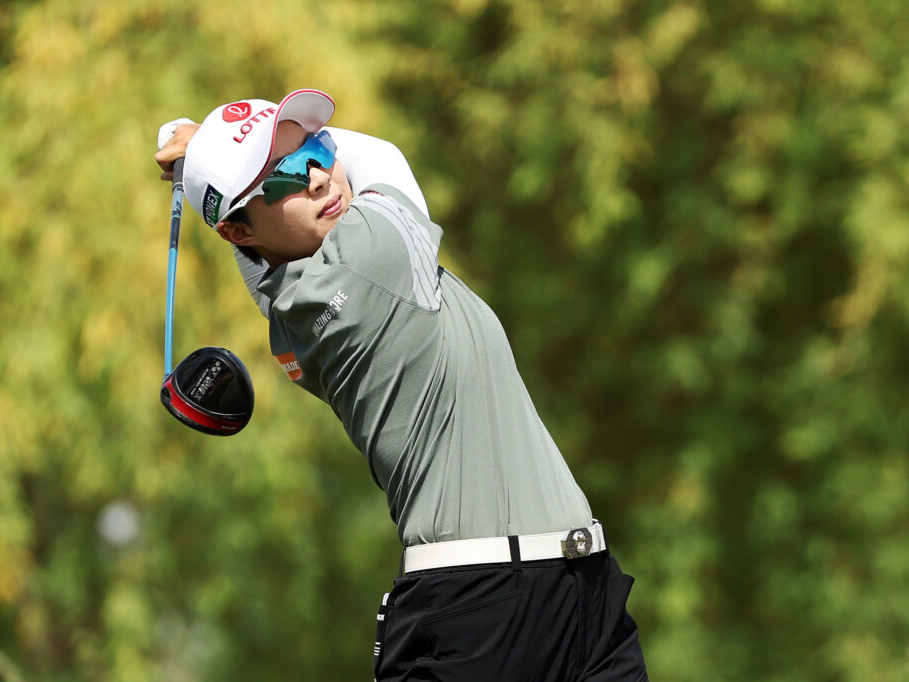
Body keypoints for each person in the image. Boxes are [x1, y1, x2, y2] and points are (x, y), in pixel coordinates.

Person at [155, 89, 648, 682]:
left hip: (582, 592)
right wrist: (202, 148)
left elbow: (263, 250)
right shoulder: (370, 255)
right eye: (282, 174)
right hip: (483, 607)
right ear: (237, 229)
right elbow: (379, 155)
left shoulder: (288, 307)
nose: (317, 176)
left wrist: (200, 162)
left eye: (314, 147)